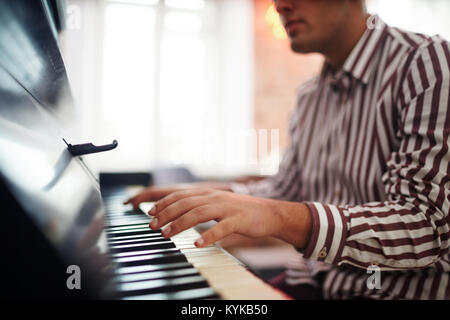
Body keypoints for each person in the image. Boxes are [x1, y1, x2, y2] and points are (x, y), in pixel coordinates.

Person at [126, 0, 450, 299]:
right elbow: (285, 190)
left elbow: (429, 227)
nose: (279, 5)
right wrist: (202, 197)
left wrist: (276, 216)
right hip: (313, 282)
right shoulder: (310, 95)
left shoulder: (425, 62)